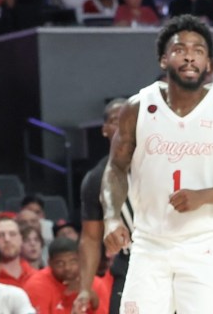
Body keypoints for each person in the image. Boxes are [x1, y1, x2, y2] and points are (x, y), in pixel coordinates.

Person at [101, 16, 213, 314]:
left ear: (208, 63)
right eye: (180, 49)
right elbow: (115, 168)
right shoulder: (138, 107)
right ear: (164, 59)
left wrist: (204, 196)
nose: (190, 56)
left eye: (198, 50)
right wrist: (112, 218)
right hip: (149, 241)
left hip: (205, 242)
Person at [74, 99, 127, 314]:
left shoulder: (163, 162)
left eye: (129, 119)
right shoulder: (97, 178)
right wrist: (85, 289)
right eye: (116, 120)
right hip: (132, 261)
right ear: (105, 129)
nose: (123, 125)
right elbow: (90, 238)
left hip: (175, 256)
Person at [24, 237, 108, 314]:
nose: (67, 268)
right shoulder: (36, 285)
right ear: (50, 263)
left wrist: (94, 300)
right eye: (60, 263)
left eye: (73, 261)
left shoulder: (95, 284)